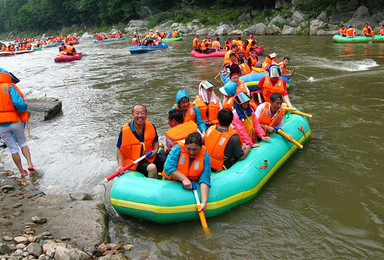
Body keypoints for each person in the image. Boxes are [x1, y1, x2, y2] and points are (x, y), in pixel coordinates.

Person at [162, 132, 211, 212]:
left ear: (200, 147)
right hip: (172, 182)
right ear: (185, 146)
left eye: (195, 149)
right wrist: (184, 179)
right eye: (188, 149)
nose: (191, 152)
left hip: (192, 184)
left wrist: (204, 202)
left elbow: (205, 179)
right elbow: (168, 167)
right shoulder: (178, 148)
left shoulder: (205, 155)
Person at [0, 68, 35, 178]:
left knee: (13, 148)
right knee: (23, 143)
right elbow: (18, 103)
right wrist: (25, 109)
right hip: (15, 120)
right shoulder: (9, 86)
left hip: (1, 124)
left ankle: (22, 171)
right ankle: (30, 164)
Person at [116, 104, 165, 179]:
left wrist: (155, 151)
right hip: (134, 161)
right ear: (133, 115)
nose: (140, 116)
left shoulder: (151, 126)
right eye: (137, 113)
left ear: (146, 115)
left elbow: (155, 141)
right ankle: (152, 187)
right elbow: (119, 150)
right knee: (152, 167)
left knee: (167, 162)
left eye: (142, 113)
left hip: (149, 156)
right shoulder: (125, 131)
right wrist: (120, 166)